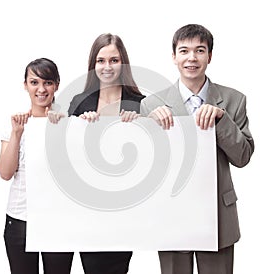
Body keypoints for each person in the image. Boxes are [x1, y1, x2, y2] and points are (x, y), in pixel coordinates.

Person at [140, 24, 254, 274]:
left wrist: (222, 120)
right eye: (184, 51)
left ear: (209, 56)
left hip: (217, 217)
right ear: (174, 57)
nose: (191, 58)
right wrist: (149, 127)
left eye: (199, 50)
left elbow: (243, 157)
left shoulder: (234, 100)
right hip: (171, 216)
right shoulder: (151, 105)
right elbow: (143, 169)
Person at [48, 33, 145, 274]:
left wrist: (143, 123)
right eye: (101, 61)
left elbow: (151, 157)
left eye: (114, 60)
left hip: (124, 212)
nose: (107, 66)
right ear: (93, 66)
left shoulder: (139, 102)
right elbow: (65, 155)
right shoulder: (80, 102)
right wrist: (65, 122)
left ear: (123, 64)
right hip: (87, 209)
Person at [0, 58, 73, 274]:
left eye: (48, 82)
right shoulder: (15, 124)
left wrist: (61, 130)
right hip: (21, 219)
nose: (41, 89)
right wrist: (16, 134)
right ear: (25, 85)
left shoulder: (69, 123)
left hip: (57, 220)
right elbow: (5, 172)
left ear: (57, 84)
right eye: (34, 82)